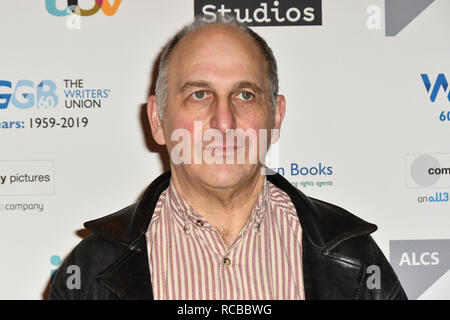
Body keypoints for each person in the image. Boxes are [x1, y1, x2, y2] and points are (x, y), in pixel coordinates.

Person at [49, 15, 407, 300]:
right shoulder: (92, 267)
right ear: (158, 120)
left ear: (276, 116)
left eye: (245, 95)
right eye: (200, 94)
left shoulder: (354, 257)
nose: (224, 121)